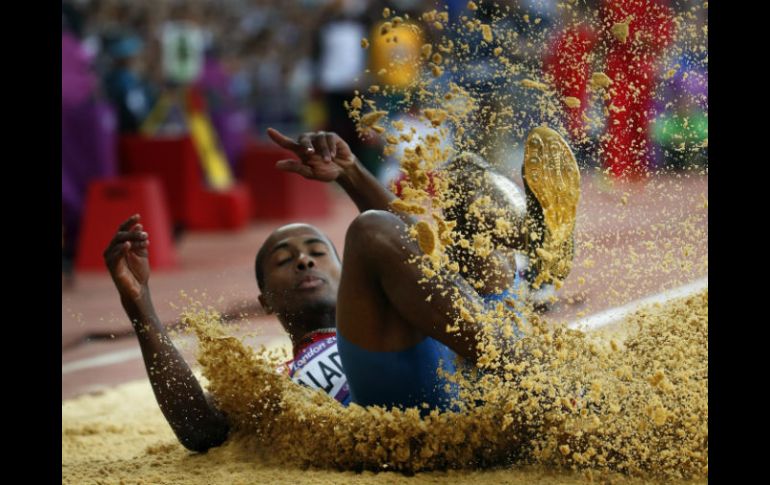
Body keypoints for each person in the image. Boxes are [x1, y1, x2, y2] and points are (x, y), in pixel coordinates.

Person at [104, 125, 580, 451]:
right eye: (284, 260)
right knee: (373, 230)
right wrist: (139, 303)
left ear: (344, 273)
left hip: (468, 350)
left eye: (315, 251)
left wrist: (351, 171)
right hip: (408, 402)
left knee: (462, 180)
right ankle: (534, 378)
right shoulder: (269, 384)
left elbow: (416, 245)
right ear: (266, 301)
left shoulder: (411, 278)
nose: (305, 259)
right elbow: (201, 432)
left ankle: (535, 242)